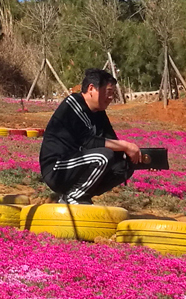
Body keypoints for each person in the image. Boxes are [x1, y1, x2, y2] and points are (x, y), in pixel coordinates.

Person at [38, 69, 145, 203]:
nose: (111, 98)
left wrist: (142, 159)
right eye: (108, 92)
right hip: (57, 169)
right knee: (103, 157)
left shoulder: (99, 112)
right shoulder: (73, 104)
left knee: (125, 164)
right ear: (91, 89)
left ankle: (80, 194)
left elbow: (112, 141)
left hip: (79, 164)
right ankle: (73, 197)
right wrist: (124, 145)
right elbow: (88, 142)